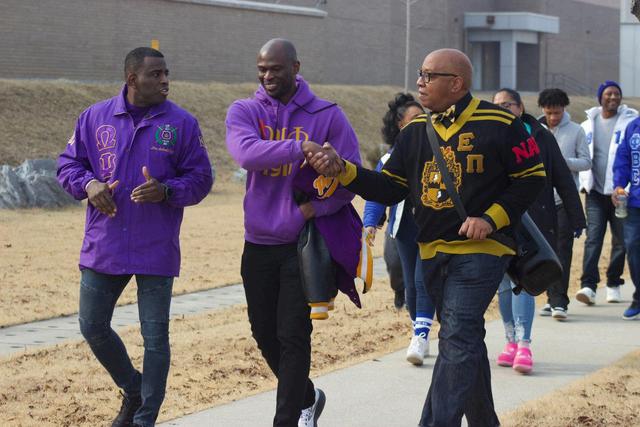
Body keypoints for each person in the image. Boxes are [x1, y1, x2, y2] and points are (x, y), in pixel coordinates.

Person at [305, 49, 546, 427]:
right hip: (431, 253)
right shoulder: (414, 132)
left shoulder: (500, 123)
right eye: (420, 73)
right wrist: (344, 171)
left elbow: (532, 178)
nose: (420, 82)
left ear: (457, 83)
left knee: (457, 337)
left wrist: (491, 218)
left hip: (482, 250)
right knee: (463, 339)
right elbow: (389, 187)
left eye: (429, 75)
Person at [57, 47, 214, 427]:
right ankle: (133, 388)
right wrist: (89, 184)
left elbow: (201, 178)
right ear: (132, 79)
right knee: (92, 325)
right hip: (105, 244)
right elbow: (68, 165)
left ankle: (144, 419)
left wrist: (167, 190)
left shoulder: (182, 123)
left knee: (155, 339)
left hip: (156, 247)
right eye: (156, 74)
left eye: (166, 73)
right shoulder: (93, 117)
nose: (165, 81)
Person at [224, 38, 361, 427]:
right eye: (261, 70)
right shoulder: (244, 110)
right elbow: (246, 153)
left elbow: (350, 176)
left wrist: (312, 209)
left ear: (295, 68)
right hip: (257, 243)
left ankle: (287, 419)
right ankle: (308, 397)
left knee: (293, 335)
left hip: (302, 245)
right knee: (263, 333)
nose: (267, 76)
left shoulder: (328, 115)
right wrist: (302, 148)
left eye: (275, 69)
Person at [492, 88, 585, 375]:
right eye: (497, 105)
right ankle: (510, 340)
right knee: (504, 286)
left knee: (525, 282)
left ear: (520, 107)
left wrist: (576, 216)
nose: (503, 109)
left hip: (532, 223)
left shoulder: (540, 137)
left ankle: (525, 344)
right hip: (497, 223)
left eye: (508, 104)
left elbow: (562, 177)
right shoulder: (488, 137)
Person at [363, 93, 436, 365]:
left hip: (432, 229)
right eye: (413, 120)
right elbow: (377, 192)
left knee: (422, 279)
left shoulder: (438, 151)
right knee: (410, 285)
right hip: (404, 230)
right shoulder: (388, 158)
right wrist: (370, 223)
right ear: (399, 126)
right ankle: (420, 332)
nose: (421, 124)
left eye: (423, 119)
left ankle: (421, 335)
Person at [577, 81, 638, 305]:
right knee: (593, 239)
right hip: (594, 191)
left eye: (617, 94)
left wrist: (625, 186)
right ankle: (588, 286)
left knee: (621, 241)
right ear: (600, 97)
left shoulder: (630, 122)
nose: (613, 97)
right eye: (608, 93)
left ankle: (613, 283)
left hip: (621, 194)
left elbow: (626, 157)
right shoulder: (587, 124)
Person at [537, 88, 591, 318]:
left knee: (562, 250)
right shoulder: (535, 130)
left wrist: (560, 162)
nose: (553, 117)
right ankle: (550, 298)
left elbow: (586, 162)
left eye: (557, 113)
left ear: (564, 109)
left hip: (564, 200)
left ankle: (560, 301)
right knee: (544, 250)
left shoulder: (576, 131)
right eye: (548, 113)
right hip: (540, 201)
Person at [612, 116, 640, 320]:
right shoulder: (634, 127)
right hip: (635, 201)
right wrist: (619, 184)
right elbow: (623, 159)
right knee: (632, 248)